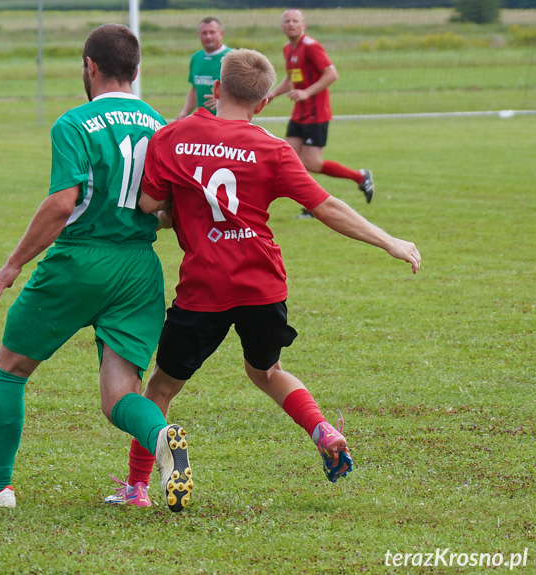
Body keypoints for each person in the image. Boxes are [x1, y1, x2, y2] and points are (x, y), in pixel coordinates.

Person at [104, 49, 421, 508]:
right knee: (265, 370)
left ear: (215, 89)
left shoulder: (174, 137)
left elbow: (151, 206)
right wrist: (389, 240)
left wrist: (183, 208)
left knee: (159, 389)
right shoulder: (274, 149)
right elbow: (326, 206)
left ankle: (136, 488)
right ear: (264, 102)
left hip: (205, 288)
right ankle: (321, 428)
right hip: (262, 283)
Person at [0, 24, 193, 512]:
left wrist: (14, 263)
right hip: (139, 268)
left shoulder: (74, 123)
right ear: (137, 70)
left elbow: (63, 203)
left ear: (90, 66)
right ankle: (161, 435)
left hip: (81, 259)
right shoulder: (162, 125)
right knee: (119, 395)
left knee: (11, 368)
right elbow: (167, 209)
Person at [266, 9, 373, 218]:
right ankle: (310, 207)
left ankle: (360, 177)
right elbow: (291, 78)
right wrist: (273, 94)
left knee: (311, 164)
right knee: (290, 160)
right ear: (282, 26)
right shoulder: (288, 48)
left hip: (317, 114)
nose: (290, 24)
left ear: (303, 25)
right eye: (287, 21)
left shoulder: (311, 47)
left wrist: (307, 91)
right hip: (299, 114)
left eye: (295, 21)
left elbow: (332, 74)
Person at [175, 17, 231, 121]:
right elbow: (195, 88)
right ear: (198, 35)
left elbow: (243, 91)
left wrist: (224, 100)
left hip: (227, 121)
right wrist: (185, 112)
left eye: (212, 32)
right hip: (203, 121)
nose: (208, 36)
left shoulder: (232, 57)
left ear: (221, 33)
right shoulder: (196, 58)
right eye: (204, 33)